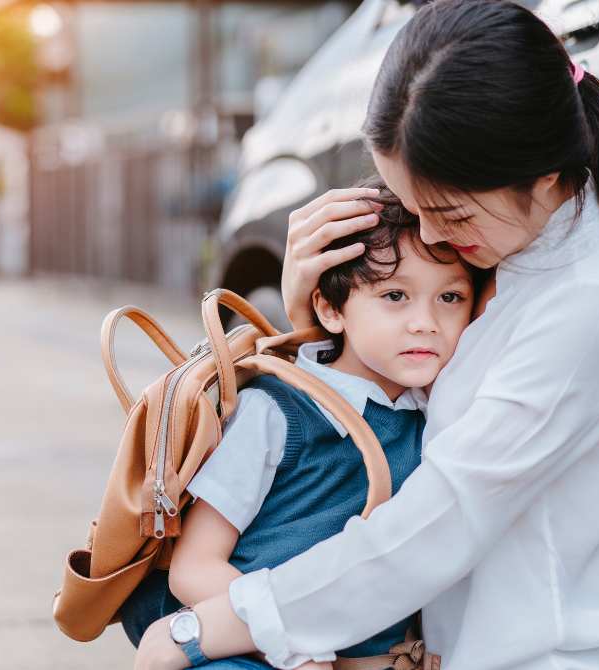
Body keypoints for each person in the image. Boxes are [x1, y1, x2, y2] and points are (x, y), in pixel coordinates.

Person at [135, 1, 599, 669]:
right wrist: (313, 316)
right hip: (455, 647)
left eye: (447, 212)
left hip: (550, 658)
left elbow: (440, 520)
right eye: (416, 209)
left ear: (543, 175)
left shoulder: (587, 303)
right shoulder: (512, 255)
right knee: (151, 603)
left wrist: (215, 627)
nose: (427, 236)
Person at [121, 181, 477, 670]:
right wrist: (289, 645)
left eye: (451, 298)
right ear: (331, 309)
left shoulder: (437, 418)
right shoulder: (277, 412)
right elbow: (193, 567)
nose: (426, 322)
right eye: (396, 296)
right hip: (248, 651)